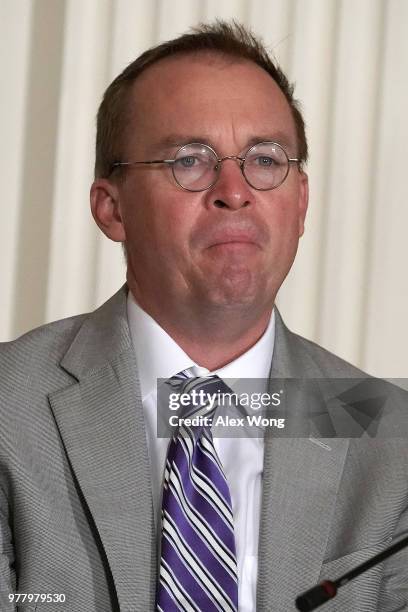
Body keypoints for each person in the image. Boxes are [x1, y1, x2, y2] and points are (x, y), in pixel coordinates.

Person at [0, 20, 407, 612]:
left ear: (300, 203)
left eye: (265, 159)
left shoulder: (386, 432)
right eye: (189, 160)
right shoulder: (10, 406)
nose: (234, 190)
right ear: (112, 209)